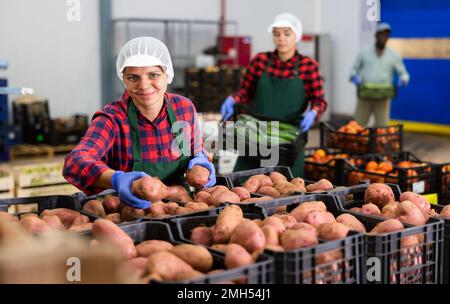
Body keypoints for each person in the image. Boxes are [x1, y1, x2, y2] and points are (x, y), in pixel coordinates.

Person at [63, 37, 216, 208]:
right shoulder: (112, 118)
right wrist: (117, 179)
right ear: (124, 80)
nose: (143, 85)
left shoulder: (184, 108)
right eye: (133, 77)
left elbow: (195, 148)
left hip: (182, 206)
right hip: (130, 210)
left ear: (168, 75)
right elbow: (75, 162)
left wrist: (201, 159)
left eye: (153, 75)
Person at [220, 13, 327, 177]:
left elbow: (319, 100)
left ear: (296, 35)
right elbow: (246, 91)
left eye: (287, 33)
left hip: (288, 140)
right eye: (276, 34)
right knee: (243, 186)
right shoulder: (260, 61)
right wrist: (233, 99)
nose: (281, 38)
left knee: (288, 189)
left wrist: (314, 112)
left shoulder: (308, 66)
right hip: (256, 134)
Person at [350, 22, 410, 127]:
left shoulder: (393, 55)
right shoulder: (364, 52)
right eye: (381, 34)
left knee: (382, 127)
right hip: (365, 95)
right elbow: (353, 70)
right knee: (357, 125)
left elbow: (403, 73)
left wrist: (403, 79)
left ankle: (377, 144)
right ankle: (358, 143)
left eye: (386, 35)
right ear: (376, 35)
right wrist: (354, 76)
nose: (384, 37)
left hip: (383, 96)